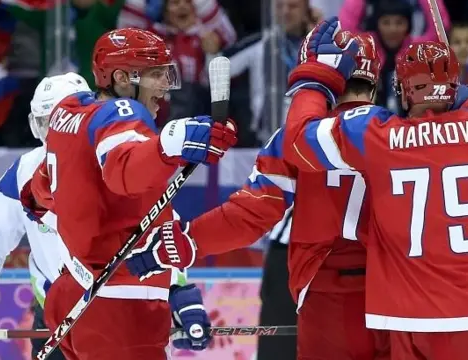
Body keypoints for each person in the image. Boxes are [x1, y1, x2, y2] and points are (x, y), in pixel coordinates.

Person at [279, 17, 468, 360]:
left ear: (401, 90)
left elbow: (296, 142)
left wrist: (314, 79)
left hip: (418, 322)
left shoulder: (376, 135)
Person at [126, 32, 391, 360]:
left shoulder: (294, 138)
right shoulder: (404, 130)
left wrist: (187, 241)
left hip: (328, 300)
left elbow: (250, 215)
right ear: (376, 81)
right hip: (402, 293)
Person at [29, 27, 237, 360]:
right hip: (119, 308)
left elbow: (40, 189)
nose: (166, 87)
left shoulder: (70, 113)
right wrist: (171, 143)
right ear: (122, 77)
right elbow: (124, 171)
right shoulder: (123, 116)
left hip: (71, 292)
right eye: (156, 75)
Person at [0, 72, 90, 359]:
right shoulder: (24, 172)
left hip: (119, 313)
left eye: (61, 122)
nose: (54, 135)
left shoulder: (116, 157)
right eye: (44, 124)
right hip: (54, 317)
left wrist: (180, 289)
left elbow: (160, 227)